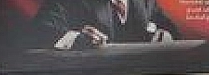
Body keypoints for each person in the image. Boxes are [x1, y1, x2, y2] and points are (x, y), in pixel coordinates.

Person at [31, 0, 180, 50]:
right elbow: (40, 30)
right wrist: (77, 39)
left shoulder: (146, 1)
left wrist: (166, 35)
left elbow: (172, 31)